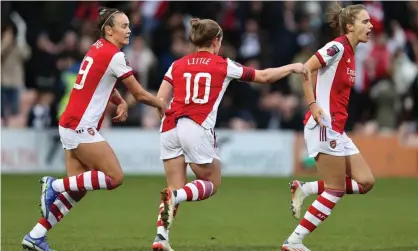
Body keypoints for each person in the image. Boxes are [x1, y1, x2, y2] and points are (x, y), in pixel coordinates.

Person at [151, 18, 308, 251]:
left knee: (175, 185)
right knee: (210, 182)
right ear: (216, 40)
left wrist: (165, 118)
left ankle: (161, 238)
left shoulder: (177, 64)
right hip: (195, 126)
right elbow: (263, 76)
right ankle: (175, 198)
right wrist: (291, 68)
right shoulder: (222, 64)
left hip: (169, 126)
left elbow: (160, 100)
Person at [22, 7, 166, 251]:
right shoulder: (115, 56)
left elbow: (100, 80)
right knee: (114, 177)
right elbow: (140, 93)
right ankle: (53, 185)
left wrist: (118, 101)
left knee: (77, 189)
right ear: (109, 30)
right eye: (123, 25)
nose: (129, 30)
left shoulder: (97, 47)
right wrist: (162, 104)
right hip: (80, 126)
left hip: (69, 123)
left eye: (129, 25)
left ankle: (36, 235)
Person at [281, 4, 374, 251]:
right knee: (335, 189)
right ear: (350, 26)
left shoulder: (352, 53)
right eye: (365, 22)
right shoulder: (337, 47)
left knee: (365, 182)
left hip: (337, 128)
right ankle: (294, 241)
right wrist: (312, 104)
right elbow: (306, 68)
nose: (371, 26)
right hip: (324, 124)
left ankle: (307, 188)